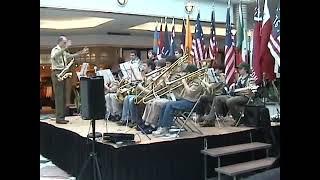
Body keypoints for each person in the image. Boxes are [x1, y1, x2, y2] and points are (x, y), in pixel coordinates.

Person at [153, 64, 204, 137]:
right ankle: (161, 127)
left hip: (191, 103)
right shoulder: (189, 80)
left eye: (187, 73)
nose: (186, 74)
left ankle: (166, 128)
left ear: (191, 73)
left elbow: (190, 92)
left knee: (170, 105)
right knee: (165, 104)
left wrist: (184, 83)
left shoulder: (197, 82)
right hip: (184, 101)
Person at [200, 62, 255, 127]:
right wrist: (233, 87)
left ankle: (238, 119)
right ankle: (210, 120)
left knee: (230, 101)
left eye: (240, 69)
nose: (239, 70)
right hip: (235, 96)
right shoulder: (240, 78)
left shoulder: (250, 79)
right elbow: (236, 88)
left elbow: (252, 91)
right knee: (217, 98)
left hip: (245, 97)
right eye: (238, 69)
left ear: (245, 69)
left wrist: (243, 91)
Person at [50, 36, 89, 124]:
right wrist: (65, 47)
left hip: (63, 73)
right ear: (60, 42)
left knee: (63, 96)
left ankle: (62, 117)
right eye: (64, 43)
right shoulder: (55, 49)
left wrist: (81, 53)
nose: (65, 44)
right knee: (59, 96)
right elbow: (54, 56)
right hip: (57, 73)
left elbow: (70, 56)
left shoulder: (63, 51)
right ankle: (59, 118)